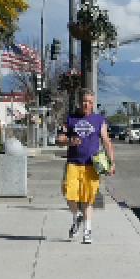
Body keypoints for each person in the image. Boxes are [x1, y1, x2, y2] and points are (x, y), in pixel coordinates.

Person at [55, 91, 115, 244]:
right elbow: (59, 139)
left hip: (91, 165)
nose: (86, 104)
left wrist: (111, 162)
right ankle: (76, 217)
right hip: (73, 163)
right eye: (84, 101)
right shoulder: (70, 119)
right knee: (69, 194)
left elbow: (106, 141)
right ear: (79, 102)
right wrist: (69, 141)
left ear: (93, 103)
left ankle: (87, 231)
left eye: (89, 101)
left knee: (88, 199)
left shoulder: (99, 120)